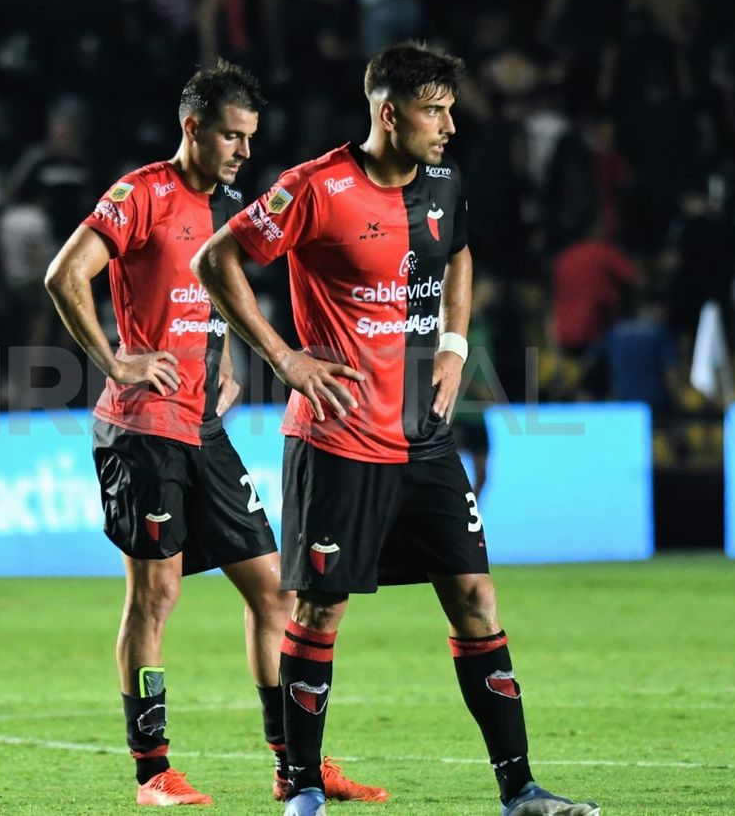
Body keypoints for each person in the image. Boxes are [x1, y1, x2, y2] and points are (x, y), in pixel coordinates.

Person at [192, 41, 601, 816]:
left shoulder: (445, 181)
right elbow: (218, 259)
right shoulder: (314, 187)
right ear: (389, 112)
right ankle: (303, 788)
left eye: (450, 108)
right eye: (433, 110)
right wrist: (283, 357)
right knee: (319, 612)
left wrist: (452, 346)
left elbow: (460, 254)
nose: (448, 125)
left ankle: (520, 790)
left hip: (427, 435)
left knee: (477, 597)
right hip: (339, 438)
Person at [44, 60, 385, 807]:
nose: (243, 151)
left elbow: (214, 294)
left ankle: (293, 764)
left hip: (203, 427)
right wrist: (114, 359)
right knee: (155, 594)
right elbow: (65, 274)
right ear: (191, 126)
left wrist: (225, 358)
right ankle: (152, 771)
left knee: (274, 591)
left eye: (250, 138)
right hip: (142, 432)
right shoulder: (141, 194)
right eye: (231, 136)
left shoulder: (230, 207)